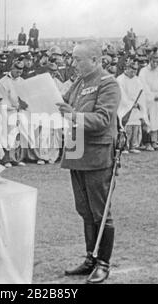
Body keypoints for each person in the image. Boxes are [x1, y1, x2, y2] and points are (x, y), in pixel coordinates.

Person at [57, 40, 121, 284]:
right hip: (76, 150)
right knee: (84, 209)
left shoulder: (108, 84)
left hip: (96, 152)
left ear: (95, 60)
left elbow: (103, 119)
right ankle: (90, 258)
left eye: (78, 59)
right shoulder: (79, 82)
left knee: (100, 211)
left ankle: (103, 263)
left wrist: (72, 115)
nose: (73, 63)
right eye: (73, 58)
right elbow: (62, 102)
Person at [117, 60, 149, 153]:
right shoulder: (120, 79)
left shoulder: (138, 80)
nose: (134, 72)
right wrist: (130, 104)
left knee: (135, 127)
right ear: (126, 68)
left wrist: (138, 103)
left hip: (136, 108)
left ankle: (133, 146)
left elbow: (142, 93)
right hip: (124, 108)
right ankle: (124, 147)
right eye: (132, 69)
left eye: (135, 70)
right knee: (126, 128)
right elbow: (122, 95)